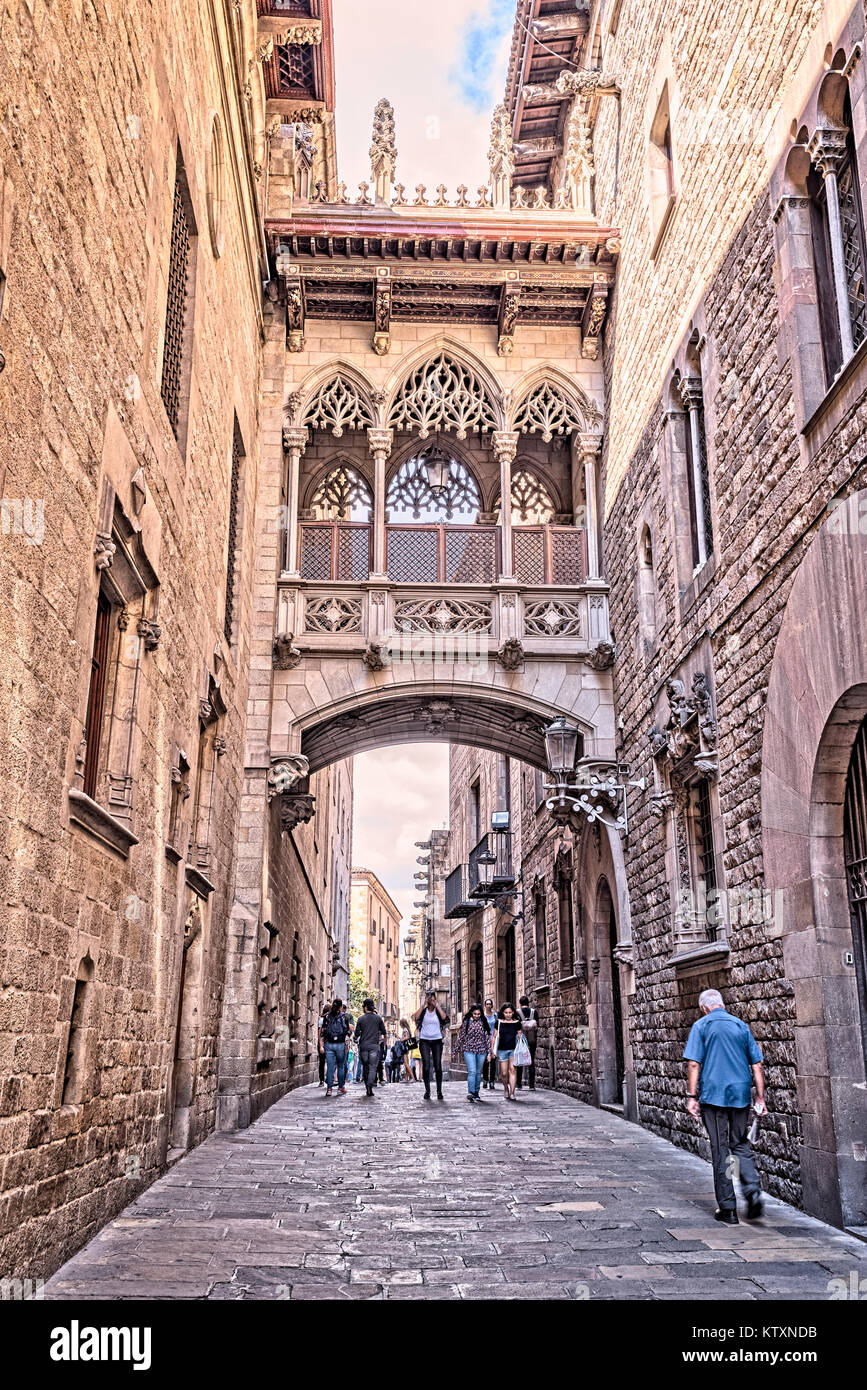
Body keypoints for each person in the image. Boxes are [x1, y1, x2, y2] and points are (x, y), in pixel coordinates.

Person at [683, 988, 766, 1225]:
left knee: (721, 1149)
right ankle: (752, 1191)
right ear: (722, 1004)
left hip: (714, 1095)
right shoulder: (741, 1026)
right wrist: (760, 1098)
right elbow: (757, 1065)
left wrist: (691, 1095)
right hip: (740, 1095)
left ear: (704, 1008)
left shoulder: (702, 1026)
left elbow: (693, 1064)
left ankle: (728, 1208)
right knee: (739, 1144)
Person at [413, 991, 450, 1101]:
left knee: (438, 1066)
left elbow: (444, 1018)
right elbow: (415, 1016)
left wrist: (437, 1005)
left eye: (432, 998)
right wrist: (423, 1004)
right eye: (429, 998)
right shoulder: (423, 1011)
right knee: (426, 1066)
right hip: (424, 1040)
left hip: (437, 1040)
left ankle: (439, 1091)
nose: (430, 1000)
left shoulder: (437, 1012)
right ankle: (427, 1091)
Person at [457, 1002, 492, 1103]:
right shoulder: (467, 1022)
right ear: (472, 1013)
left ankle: (476, 1092)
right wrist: (456, 1050)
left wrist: (489, 1052)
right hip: (469, 1050)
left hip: (481, 1050)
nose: (476, 1016)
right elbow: (461, 1037)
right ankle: (471, 1092)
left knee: (477, 1072)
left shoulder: (484, 1023)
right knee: (472, 1071)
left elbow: (487, 1038)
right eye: (475, 1014)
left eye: (478, 1014)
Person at [354, 997, 387, 1098]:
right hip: (374, 1046)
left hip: (364, 1046)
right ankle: (370, 1087)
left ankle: (367, 1087)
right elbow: (384, 1032)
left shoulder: (360, 1019)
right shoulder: (378, 1018)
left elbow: (356, 1034)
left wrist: (357, 1037)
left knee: (366, 1067)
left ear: (366, 1007)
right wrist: (383, 1042)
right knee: (373, 1067)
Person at [493, 1002, 524, 1101]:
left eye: (510, 1012)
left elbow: (520, 1036)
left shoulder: (517, 1023)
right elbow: (494, 1036)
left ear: (513, 1012)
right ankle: (506, 1088)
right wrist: (492, 1049)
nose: (508, 1014)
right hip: (502, 1050)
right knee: (504, 1073)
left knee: (513, 1070)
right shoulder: (498, 1022)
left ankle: (512, 1092)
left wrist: (520, 1038)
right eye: (506, 1013)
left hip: (513, 1050)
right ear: (503, 1013)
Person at [320, 998, 351, 1097]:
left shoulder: (326, 1016)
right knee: (341, 1067)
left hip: (329, 1044)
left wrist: (323, 1043)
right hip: (340, 1044)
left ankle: (329, 1089)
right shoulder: (344, 1017)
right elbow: (348, 1031)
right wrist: (347, 1040)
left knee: (330, 1067)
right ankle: (340, 1088)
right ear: (341, 1006)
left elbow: (323, 1032)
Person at [515, 995, 538, 1090]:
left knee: (520, 1061)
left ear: (520, 1003)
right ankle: (531, 1085)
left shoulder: (517, 1012)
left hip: (521, 1040)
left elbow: (515, 1026)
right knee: (531, 1061)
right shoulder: (534, 1012)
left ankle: (519, 1084)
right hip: (532, 1040)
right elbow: (537, 1025)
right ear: (528, 1003)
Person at [482, 998, 499, 1090]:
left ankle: (492, 1081)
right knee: (485, 1061)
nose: (488, 1005)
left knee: (493, 1061)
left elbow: (497, 1026)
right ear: (485, 1005)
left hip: (494, 1039)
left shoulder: (495, 1015)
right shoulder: (482, 1016)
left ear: (492, 1005)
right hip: (485, 1040)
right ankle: (485, 1080)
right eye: (487, 1004)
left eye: (490, 1004)